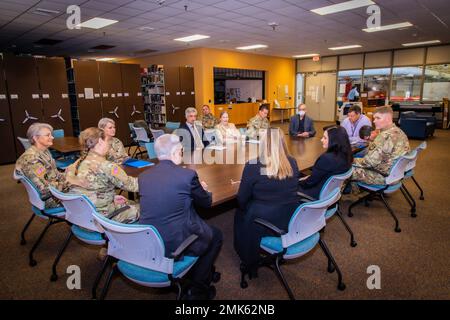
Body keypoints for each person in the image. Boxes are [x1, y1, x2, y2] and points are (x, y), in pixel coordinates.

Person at [138, 134, 222, 300]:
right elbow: (206, 202)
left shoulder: (143, 177)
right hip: (174, 242)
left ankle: (198, 273)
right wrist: (204, 189)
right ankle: (198, 288)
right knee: (216, 235)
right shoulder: (187, 176)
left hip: (149, 238)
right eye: (182, 151)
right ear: (176, 152)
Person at [234, 127, 301, 276]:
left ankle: (248, 260)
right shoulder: (292, 162)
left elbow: (242, 199)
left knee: (240, 213)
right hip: (289, 218)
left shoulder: (253, 165)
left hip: (263, 221)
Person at [65, 127, 139, 223]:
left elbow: (86, 190)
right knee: (147, 208)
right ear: (100, 141)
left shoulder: (75, 164)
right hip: (104, 219)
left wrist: (110, 197)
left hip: (83, 217)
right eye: (107, 141)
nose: (109, 144)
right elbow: (133, 185)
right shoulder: (107, 166)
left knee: (129, 202)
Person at [352, 106, 410, 185]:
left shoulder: (383, 136)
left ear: (387, 118)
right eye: (374, 118)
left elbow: (369, 163)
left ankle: (350, 194)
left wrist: (351, 160)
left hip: (382, 175)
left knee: (343, 170)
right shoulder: (399, 131)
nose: (374, 121)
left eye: (378, 118)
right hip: (396, 174)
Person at [15, 123, 67, 208]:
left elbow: (53, 174)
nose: (52, 137)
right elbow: (44, 190)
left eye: (51, 135)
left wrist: (68, 176)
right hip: (51, 199)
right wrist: (69, 183)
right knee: (90, 195)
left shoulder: (44, 151)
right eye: (48, 135)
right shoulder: (31, 159)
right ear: (35, 138)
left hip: (56, 191)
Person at [298, 126, 353, 199]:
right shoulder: (346, 154)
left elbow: (310, 183)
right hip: (331, 192)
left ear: (334, 140)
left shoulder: (327, 159)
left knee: (287, 184)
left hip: (316, 193)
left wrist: (298, 182)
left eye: (325, 138)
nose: (321, 140)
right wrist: (308, 177)